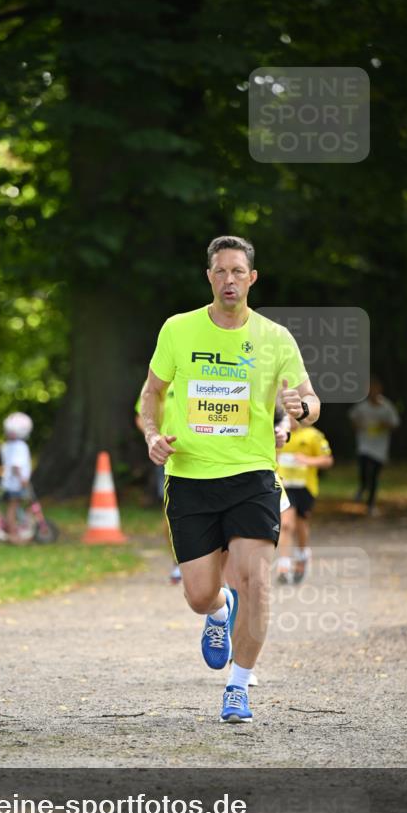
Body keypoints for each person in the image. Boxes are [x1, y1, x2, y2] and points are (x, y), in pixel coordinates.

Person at [141, 235, 320, 723]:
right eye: (220, 271)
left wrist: (300, 408)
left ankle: (238, 687)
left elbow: (310, 399)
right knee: (200, 593)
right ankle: (219, 613)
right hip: (190, 476)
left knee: (257, 583)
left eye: (238, 271)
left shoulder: (275, 338)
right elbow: (152, 392)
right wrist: (153, 434)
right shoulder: (178, 330)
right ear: (209, 277)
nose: (229, 279)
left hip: (252, 475)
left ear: (252, 278)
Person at [276, 420, 334, 584]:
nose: (291, 419)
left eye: (295, 415)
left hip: (305, 487)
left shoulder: (313, 435)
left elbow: (328, 460)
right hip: (284, 485)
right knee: (286, 523)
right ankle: (283, 565)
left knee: (301, 525)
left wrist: (307, 461)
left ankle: (302, 557)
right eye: (288, 415)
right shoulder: (277, 434)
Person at [135, 382, 181, 583]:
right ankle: (177, 561)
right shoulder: (160, 381)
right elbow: (142, 416)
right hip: (169, 455)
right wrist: (154, 438)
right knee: (171, 511)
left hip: (203, 455)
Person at [349, 377, 400, 515]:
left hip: (380, 448)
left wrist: (384, 425)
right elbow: (353, 419)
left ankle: (370, 504)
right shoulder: (361, 407)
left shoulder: (387, 406)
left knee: (374, 476)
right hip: (364, 446)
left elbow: (395, 424)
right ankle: (362, 487)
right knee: (365, 471)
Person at [0, 412, 33, 544]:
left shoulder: (6, 445)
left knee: (13, 507)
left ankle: (15, 530)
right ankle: (14, 534)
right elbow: (16, 465)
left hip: (8, 483)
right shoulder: (20, 446)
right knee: (13, 508)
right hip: (16, 483)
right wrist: (22, 480)